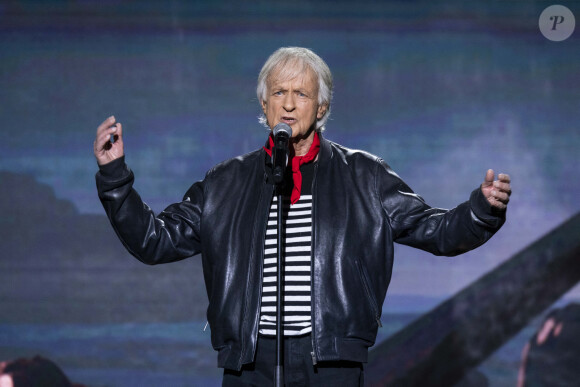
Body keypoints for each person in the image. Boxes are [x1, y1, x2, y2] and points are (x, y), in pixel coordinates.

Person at [94, 47, 511, 386]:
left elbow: (435, 230)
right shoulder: (225, 181)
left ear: (322, 106)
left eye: (301, 94)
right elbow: (155, 240)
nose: (289, 105)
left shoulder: (364, 176)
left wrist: (481, 210)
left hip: (330, 361)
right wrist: (115, 178)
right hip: (250, 363)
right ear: (263, 103)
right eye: (278, 93)